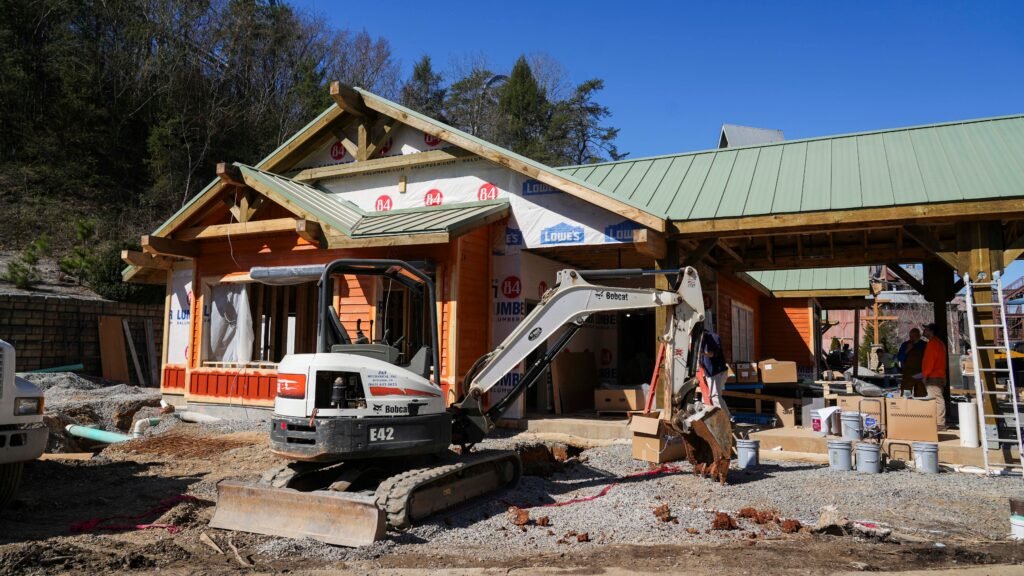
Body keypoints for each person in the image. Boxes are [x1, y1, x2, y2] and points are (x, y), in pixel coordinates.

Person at [915, 323, 948, 429]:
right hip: (939, 375)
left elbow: (930, 361)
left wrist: (925, 375)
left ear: (931, 331)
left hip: (933, 376)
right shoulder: (939, 343)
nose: (923, 331)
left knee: (937, 400)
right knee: (936, 399)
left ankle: (939, 423)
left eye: (925, 329)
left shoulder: (933, 343)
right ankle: (938, 422)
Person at [699, 329, 729, 411]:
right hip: (708, 373)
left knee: (715, 396)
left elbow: (713, 353)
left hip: (718, 372)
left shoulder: (713, 337)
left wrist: (701, 353)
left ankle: (725, 418)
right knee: (706, 397)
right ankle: (723, 417)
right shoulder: (698, 339)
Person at [896, 328, 927, 396]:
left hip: (920, 373)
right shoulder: (905, 345)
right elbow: (900, 358)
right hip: (907, 373)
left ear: (919, 336)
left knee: (921, 393)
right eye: (911, 336)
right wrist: (907, 350)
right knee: (906, 394)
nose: (912, 338)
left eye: (914, 336)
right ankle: (906, 405)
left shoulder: (924, 345)